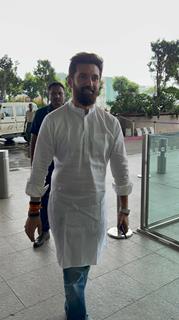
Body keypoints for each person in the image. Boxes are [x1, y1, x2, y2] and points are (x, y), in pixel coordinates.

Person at [25, 52, 132, 320]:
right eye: (83, 76)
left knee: (81, 270)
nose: (90, 82)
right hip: (64, 209)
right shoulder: (54, 121)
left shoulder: (109, 124)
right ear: (71, 81)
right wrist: (33, 211)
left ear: (99, 83)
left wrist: (124, 210)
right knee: (73, 275)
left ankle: (72, 307)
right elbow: (39, 168)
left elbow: (121, 169)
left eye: (95, 77)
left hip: (94, 210)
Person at [30, 81, 65, 248]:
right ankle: (44, 231)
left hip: (66, 166)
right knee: (43, 197)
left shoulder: (72, 113)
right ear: (48, 96)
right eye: (53, 94)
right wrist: (33, 164)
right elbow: (34, 139)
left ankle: (66, 230)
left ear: (64, 95)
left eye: (60, 93)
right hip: (46, 164)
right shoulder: (41, 114)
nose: (57, 96)